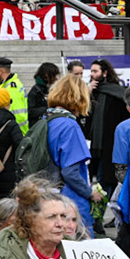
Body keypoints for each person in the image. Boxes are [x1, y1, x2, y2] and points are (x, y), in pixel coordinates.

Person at [38, 71, 96, 232]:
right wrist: (90, 193)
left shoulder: (47, 120)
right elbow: (71, 172)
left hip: (50, 198)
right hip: (71, 202)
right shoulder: (69, 126)